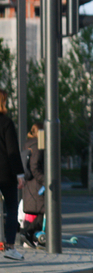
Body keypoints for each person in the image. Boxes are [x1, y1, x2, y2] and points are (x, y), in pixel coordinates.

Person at [0, 88, 26, 260]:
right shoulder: (6, 122)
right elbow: (13, 151)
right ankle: (9, 247)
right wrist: (20, 174)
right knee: (11, 208)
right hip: (5, 173)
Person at [21, 123, 45, 248]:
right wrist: (46, 180)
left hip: (30, 187)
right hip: (37, 187)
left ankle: (29, 234)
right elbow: (35, 167)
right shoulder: (37, 146)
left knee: (43, 214)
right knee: (47, 213)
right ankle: (27, 232)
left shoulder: (28, 144)